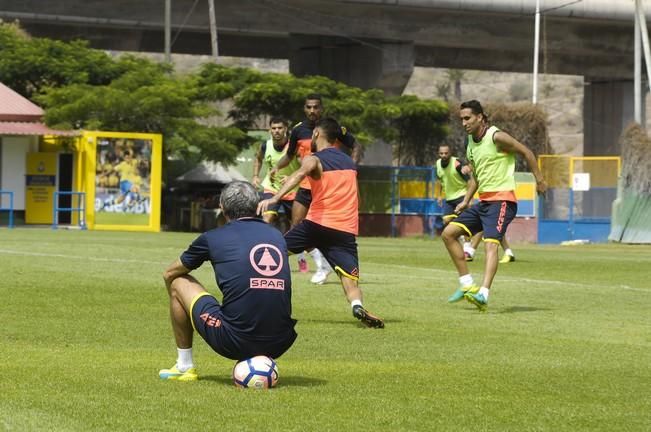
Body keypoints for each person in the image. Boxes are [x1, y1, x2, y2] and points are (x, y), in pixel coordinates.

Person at [159, 181, 298, 381]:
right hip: (280, 341)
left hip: (234, 340)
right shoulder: (276, 236)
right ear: (256, 206)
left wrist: (178, 305)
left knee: (177, 281)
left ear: (222, 208)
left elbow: (169, 273)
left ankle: (184, 366)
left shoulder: (212, 237)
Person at [258, 117, 384, 328]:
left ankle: (253, 293)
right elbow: (358, 199)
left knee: (274, 251)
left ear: (316, 134)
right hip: (345, 229)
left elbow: (299, 174)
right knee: (349, 278)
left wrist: (275, 198)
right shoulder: (349, 163)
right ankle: (356, 305)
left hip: (317, 225)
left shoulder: (314, 158)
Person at [443, 100, 547, 311]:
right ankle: (466, 285)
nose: (464, 123)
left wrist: (540, 179)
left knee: (491, 245)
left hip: (502, 201)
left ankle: (483, 293)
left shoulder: (496, 136)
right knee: (448, 234)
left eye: (467, 118)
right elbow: (476, 178)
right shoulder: (471, 143)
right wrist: (465, 201)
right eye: (461, 119)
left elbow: (527, 152)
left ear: (480, 117)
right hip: (483, 202)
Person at [270, 93, 361, 285]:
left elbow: (354, 145)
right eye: (309, 107)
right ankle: (320, 264)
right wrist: (277, 167)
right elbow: (290, 155)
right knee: (297, 225)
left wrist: (351, 167)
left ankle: (328, 261)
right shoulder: (298, 130)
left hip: (329, 186)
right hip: (306, 185)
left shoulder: (333, 129)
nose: (312, 110)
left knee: (325, 226)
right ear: (305, 109)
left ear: (322, 108)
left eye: (316, 107)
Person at [437, 144, 515, 263]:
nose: (443, 155)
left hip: (489, 197)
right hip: (472, 198)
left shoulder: (459, 163)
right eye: (441, 153)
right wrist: (440, 195)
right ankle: (507, 252)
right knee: (451, 224)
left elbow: (472, 180)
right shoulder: (439, 164)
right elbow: (472, 179)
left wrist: (467, 199)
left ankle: (469, 250)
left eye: (445, 153)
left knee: (487, 227)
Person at [252, 117, 300, 228]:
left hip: (292, 190)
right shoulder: (265, 146)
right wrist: (255, 176)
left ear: (285, 129)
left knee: (295, 225)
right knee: (267, 220)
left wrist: (291, 177)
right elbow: (258, 159)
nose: (276, 130)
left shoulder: (294, 147)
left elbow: (305, 167)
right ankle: (264, 244)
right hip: (272, 188)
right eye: (273, 128)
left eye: (279, 128)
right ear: (270, 130)